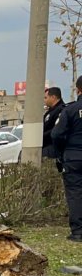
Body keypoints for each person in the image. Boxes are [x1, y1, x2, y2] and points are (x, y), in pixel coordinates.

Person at [51, 76, 82, 242]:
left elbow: (56, 134)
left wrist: (61, 153)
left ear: (78, 90)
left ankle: (78, 232)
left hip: (74, 157)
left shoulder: (70, 110)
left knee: (75, 193)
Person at [43, 87, 66, 164]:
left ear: (53, 97)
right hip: (46, 146)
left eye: (46, 97)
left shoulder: (61, 110)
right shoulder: (51, 110)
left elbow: (56, 130)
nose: (44, 100)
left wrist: (41, 136)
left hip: (53, 147)